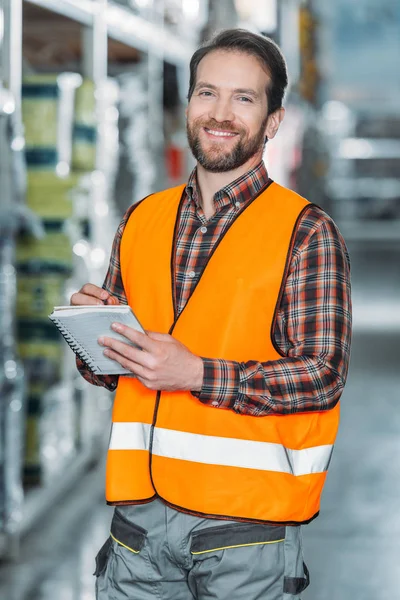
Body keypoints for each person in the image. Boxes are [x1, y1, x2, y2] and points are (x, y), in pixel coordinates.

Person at [71, 28, 352, 600]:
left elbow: (322, 375)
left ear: (273, 121)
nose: (220, 113)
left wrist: (197, 373)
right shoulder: (143, 219)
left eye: (243, 98)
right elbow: (115, 374)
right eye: (207, 93)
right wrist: (95, 339)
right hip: (139, 526)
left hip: (245, 529)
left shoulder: (306, 232)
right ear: (189, 103)